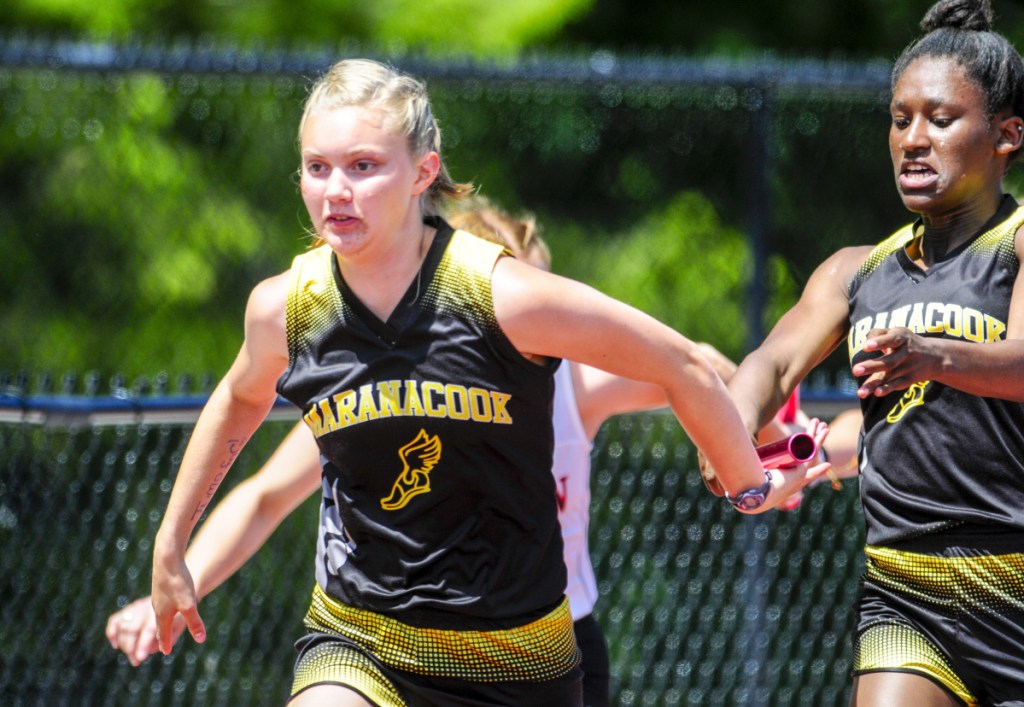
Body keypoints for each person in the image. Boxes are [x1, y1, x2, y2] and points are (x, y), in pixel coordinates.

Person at [148, 58, 829, 707]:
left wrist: (748, 484)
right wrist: (172, 537)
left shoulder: (499, 295)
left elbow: (681, 362)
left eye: (363, 166)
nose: (336, 189)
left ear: (424, 172)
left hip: (515, 655)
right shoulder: (286, 308)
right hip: (362, 635)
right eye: (317, 167)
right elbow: (240, 398)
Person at [714, 1, 1024, 704]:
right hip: (906, 587)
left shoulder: (1015, 244)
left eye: (940, 120)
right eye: (899, 118)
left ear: (1008, 135)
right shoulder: (856, 270)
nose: (914, 139)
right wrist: (726, 428)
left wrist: (934, 354)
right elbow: (773, 364)